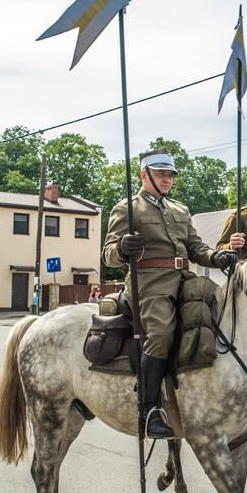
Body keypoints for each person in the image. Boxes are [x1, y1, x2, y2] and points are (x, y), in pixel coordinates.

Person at [103, 149, 237, 439]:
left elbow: (196, 248)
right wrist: (121, 249)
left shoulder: (180, 210)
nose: (168, 179)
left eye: (171, 174)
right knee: (161, 333)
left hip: (183, 278)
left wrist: (218, 257)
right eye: (162, 173)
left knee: (218, 312)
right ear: (144, 174)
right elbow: (108, 256)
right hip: (148, 282)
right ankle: (148, 410)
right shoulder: (127, 208)